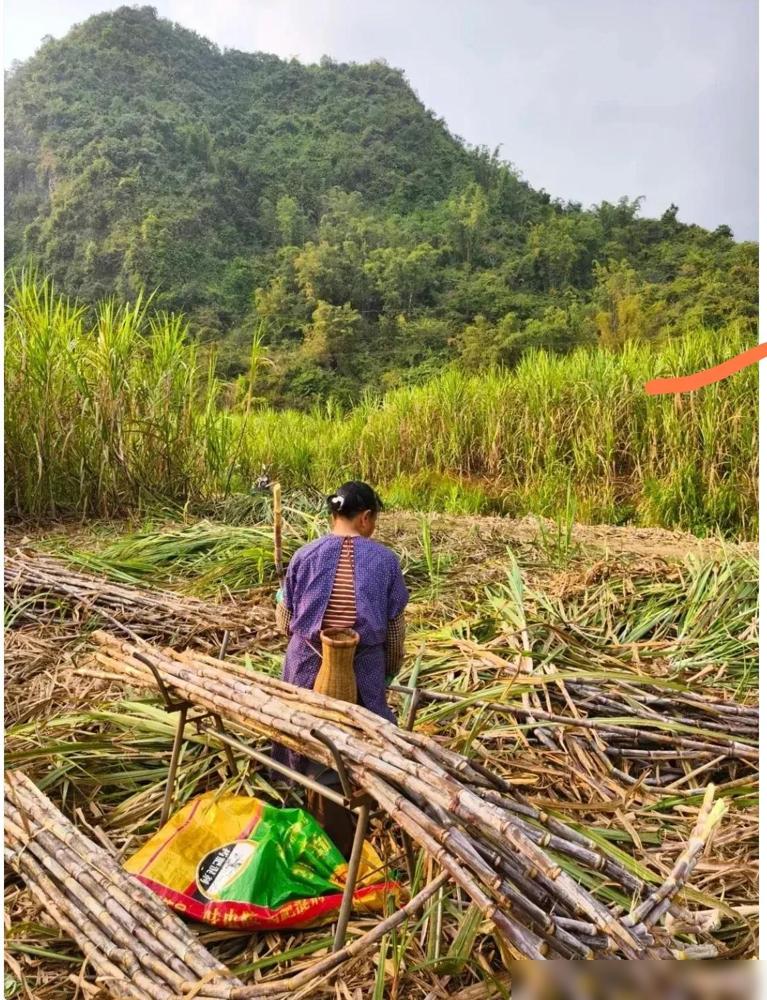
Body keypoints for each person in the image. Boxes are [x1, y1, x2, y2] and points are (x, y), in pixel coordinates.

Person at [274, 481, 408, 773]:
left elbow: (284, 620)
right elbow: (396, 629)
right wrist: (389, 669)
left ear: (334, 515)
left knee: (298, 726)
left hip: (306, 661)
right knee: (368, 735)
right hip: (363, 668)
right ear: (365, 517)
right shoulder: (385, 561)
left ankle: (294, 785)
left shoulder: (305, 555)